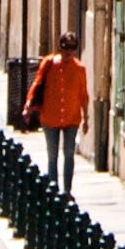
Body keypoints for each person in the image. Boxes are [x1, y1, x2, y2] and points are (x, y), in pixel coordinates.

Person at [28, 25, 90, 195]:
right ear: (60, 48)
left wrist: (86, 118)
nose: (68, 52)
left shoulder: (79, 69)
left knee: (69, 154)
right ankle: (53, 189)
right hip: (50, 116)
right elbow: (37, 84)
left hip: (72, 117)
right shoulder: (49, 63)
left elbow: (84, 94)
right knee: (52, 154)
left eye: (72, 48)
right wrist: (28, 105)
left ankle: (67, 190)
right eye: (66, 48)